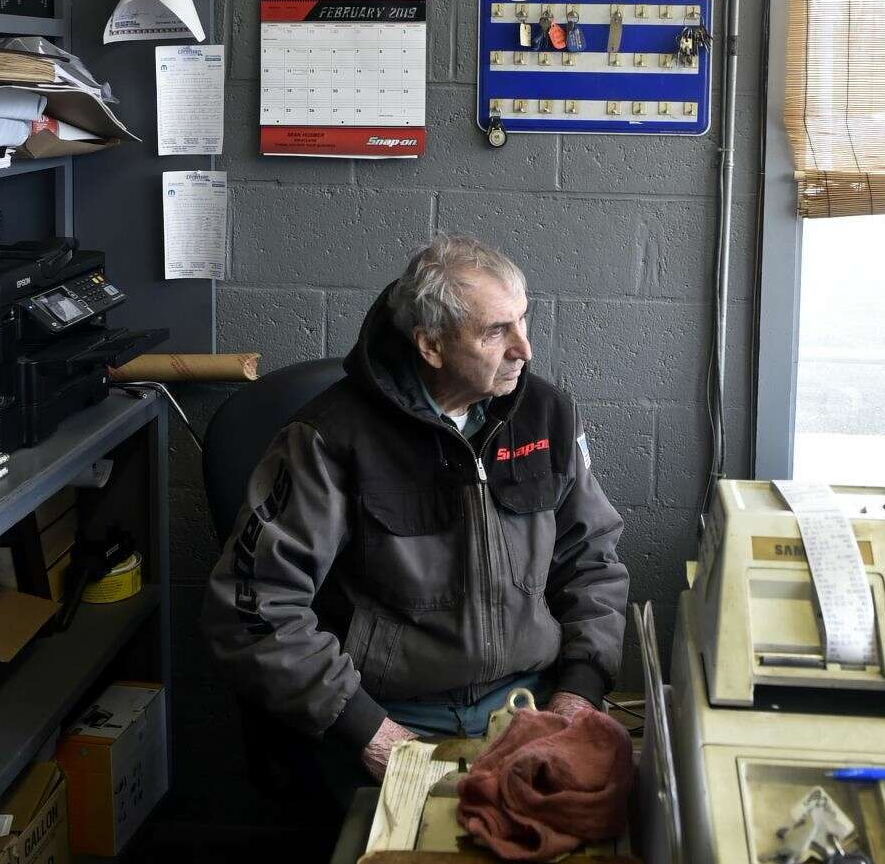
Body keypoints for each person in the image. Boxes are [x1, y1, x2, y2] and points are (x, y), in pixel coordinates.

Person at [201, 233, 629, 799]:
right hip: (390, 717)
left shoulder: (546, 415)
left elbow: (593, 561)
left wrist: (577, 694)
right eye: (496, 331)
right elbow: (254, 607)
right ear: (431, 345)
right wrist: (374, 736)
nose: (524, 349)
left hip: (530, 704)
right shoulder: (330, 438)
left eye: (522, 321)